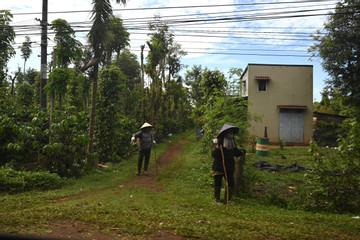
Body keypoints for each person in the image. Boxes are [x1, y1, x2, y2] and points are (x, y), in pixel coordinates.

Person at [211, 124, 246, 205]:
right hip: (218, 167)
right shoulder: (217, 142)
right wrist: (218, 149)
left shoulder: (232, 142)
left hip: (229, 167)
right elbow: (213, 154)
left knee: (231, 183)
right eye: (229, 132)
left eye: (232, 132)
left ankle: (228, 200)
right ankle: (217, 200)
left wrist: (241, 152)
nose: (231, 134)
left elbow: (235, 152)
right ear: (225, 133)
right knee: (218, 183)